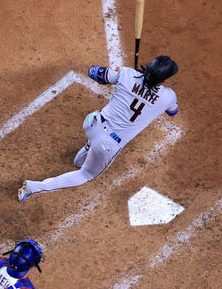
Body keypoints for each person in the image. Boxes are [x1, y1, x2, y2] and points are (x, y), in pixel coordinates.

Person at [18, 55, 179, 201]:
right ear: (164, 78)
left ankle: (88, 148)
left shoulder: (127, 73)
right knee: (85, 174)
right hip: (107, 145)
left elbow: (94, 72)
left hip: (92, 122)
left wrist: (130, 77)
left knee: (85, 154)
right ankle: (34, 187)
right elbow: (173, 112)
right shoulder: (168, 97)